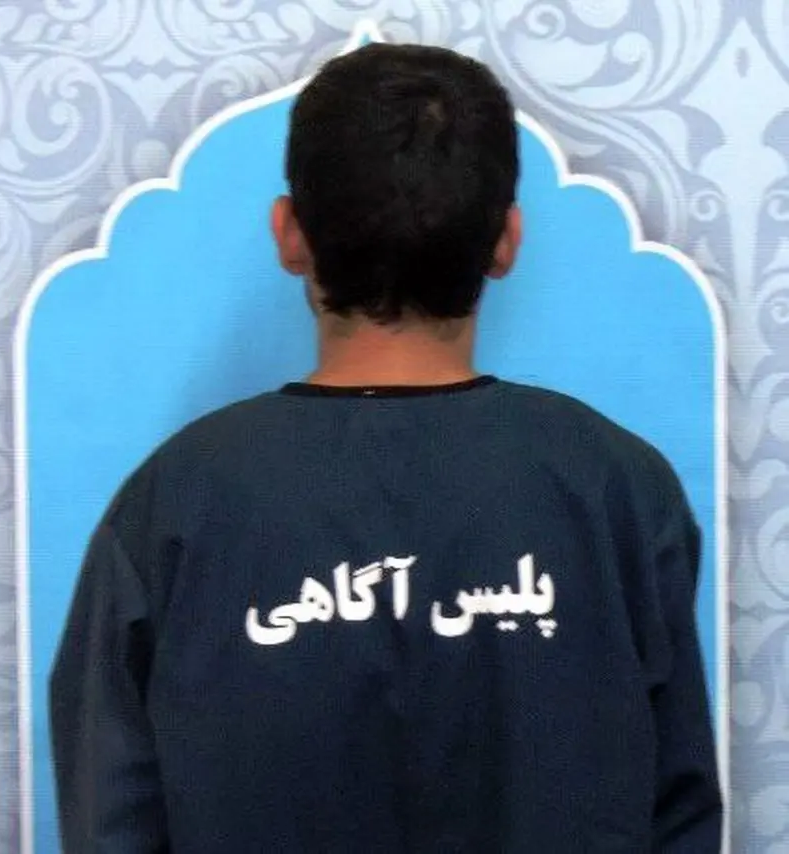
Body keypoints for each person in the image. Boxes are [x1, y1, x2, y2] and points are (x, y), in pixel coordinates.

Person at [49, 42, 722, 853]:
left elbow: (111, 820)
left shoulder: (175, 504)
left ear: (289, 235)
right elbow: (680, 810)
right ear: (506, 240)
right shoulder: (619, 491)